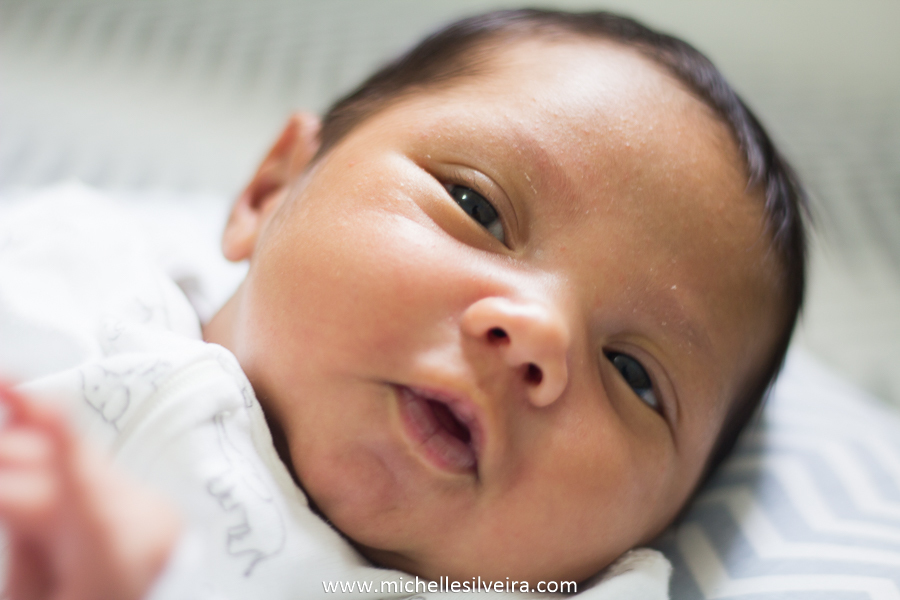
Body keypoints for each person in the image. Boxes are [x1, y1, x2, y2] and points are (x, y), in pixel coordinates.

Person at [0, 8, 808, 599]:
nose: (538, 334)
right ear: (272, 187)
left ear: (656, 525)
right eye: (478, 208)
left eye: (633, 375)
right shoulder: (65, 269)